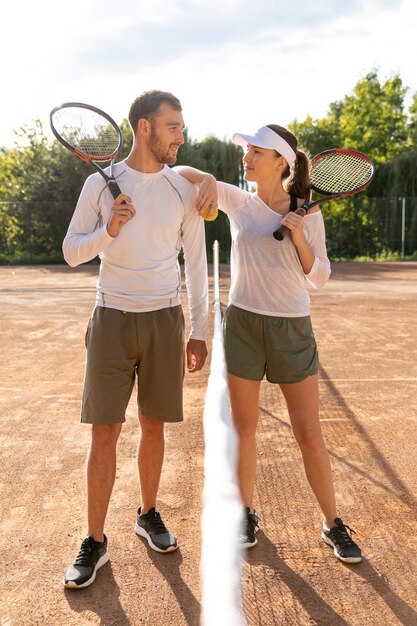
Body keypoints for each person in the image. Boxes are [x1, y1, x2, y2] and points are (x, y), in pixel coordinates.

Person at [176, 124, 362, 564]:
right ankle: (246, 513)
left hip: (291, 329)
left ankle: (333, 523)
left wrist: (299, 237)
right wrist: (205, 180)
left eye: (256, 151)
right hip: (242, 325)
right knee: (245, 428)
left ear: (281, 161)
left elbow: (319, 278)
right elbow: (180, 170)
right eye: (248, 151)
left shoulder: (307, 212)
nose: (247, 157)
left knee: (308, 433)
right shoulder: (239, 203)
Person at [62, 90, 209, 589]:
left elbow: (196, 263)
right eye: (173, 127)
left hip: (165, 320)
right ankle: (95, 541)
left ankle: (148, 513)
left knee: (153, 425)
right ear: (145, 128)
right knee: (104, 432)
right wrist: (109, 231)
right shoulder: (100, 185)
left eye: (182, 128)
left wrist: (200, 329)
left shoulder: (182, 188)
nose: (180, 137)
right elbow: (71, 251)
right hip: (112, 320)